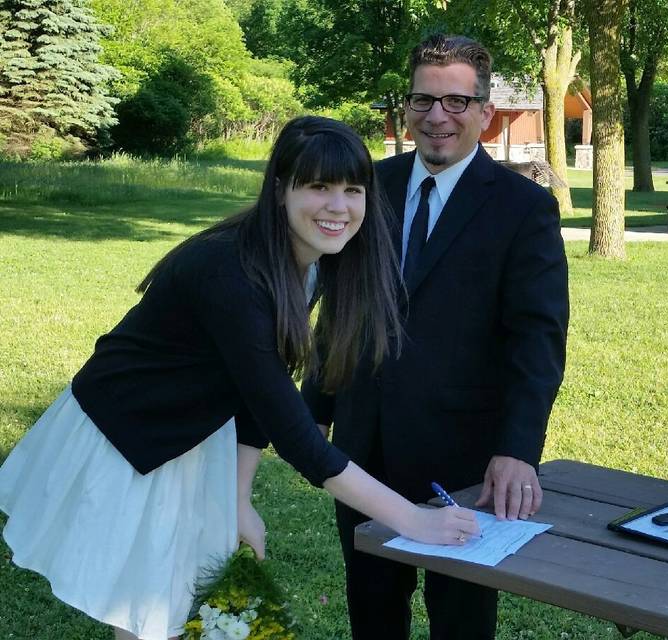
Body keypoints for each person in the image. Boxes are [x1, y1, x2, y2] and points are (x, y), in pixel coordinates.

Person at [0, 116, 479, 640]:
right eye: (318, 187)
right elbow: (298, 437)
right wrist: (415, 520)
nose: (338, 207)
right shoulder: (231, 271)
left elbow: (255, 392)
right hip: (127, 437)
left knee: (198, 611)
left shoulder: (308, 259)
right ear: (280, 190)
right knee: (154, 612)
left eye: (352, 190)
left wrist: (238, 499)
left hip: (192, 431)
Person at [300, 35, 570, 639]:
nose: (437, 117)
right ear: (407, 108)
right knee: (372, 610)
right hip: (365, 448)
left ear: (484, 114)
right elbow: (341, 307)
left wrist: (519, 448)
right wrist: (314, 408)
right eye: (424, 101)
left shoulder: (522, 209)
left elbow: (538, 337)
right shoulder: (368, 187)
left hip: (467, 459)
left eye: (455, 103)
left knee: (462, 618)